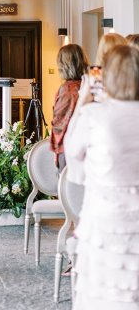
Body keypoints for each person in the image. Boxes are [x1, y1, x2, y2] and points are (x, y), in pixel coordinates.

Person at [65, 45, 139, 310]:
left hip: (105, 225)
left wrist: (83, 102)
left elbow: (72, 156)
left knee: (104, 294)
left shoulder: (95, 115)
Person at [50, 44, 89, 171]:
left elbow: (59, 123)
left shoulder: (67, 90)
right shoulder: (89, 85)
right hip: (88, 146)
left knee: (66, 188)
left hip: (69, 148)